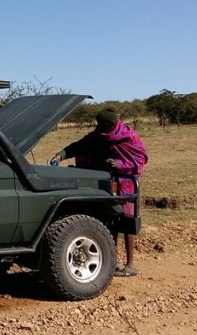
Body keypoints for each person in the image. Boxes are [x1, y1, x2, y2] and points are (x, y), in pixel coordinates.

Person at [51, 107, 148, 277]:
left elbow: (141, 159)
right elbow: (80, 146)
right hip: (105, 183)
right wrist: (60, 156)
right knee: (110, 222)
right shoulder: (97, 136)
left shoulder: (128, 137)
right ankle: (111, 262)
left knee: (127, 222)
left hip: (125, 184)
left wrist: (119, 164)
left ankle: (130, 264)